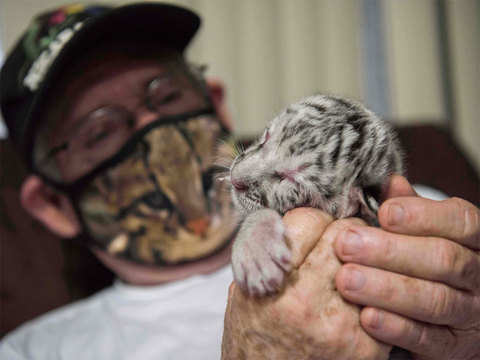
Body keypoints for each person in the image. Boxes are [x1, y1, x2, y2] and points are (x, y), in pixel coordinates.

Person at [0, 3, 479, 360]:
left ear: (218, 106)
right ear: (51, 205)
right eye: (100, 131)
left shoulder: (417, 214)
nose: (154, 133)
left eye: (166, 96)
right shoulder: (34, 351)